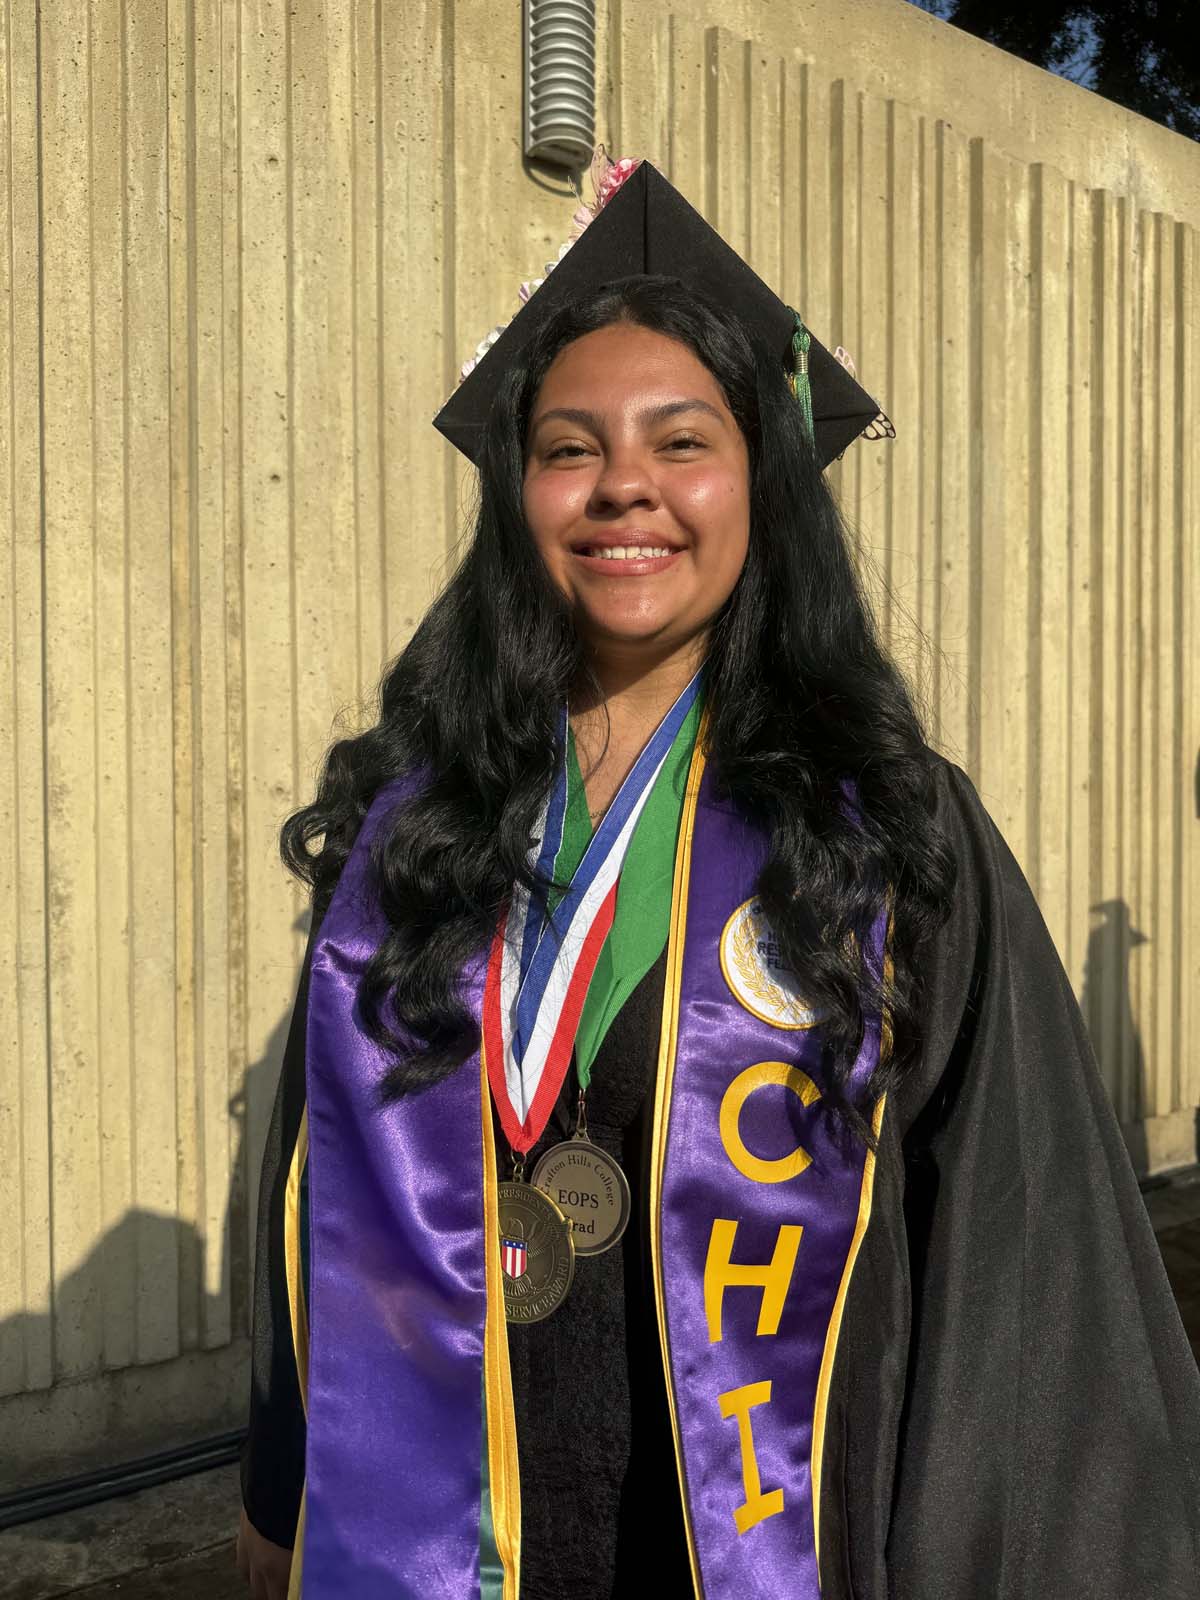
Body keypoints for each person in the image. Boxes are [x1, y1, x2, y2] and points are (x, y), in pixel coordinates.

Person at [236, 148, 1200, 1599]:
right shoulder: (412, 828)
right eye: (570, 448)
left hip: (770, 1543)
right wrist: (280, 1475)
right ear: (519, 496)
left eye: (681, 442)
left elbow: (1022, 1269)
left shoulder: (879, 839)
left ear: (764, 483)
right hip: (458, 1552)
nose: (626, 485)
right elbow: (319, 1195)